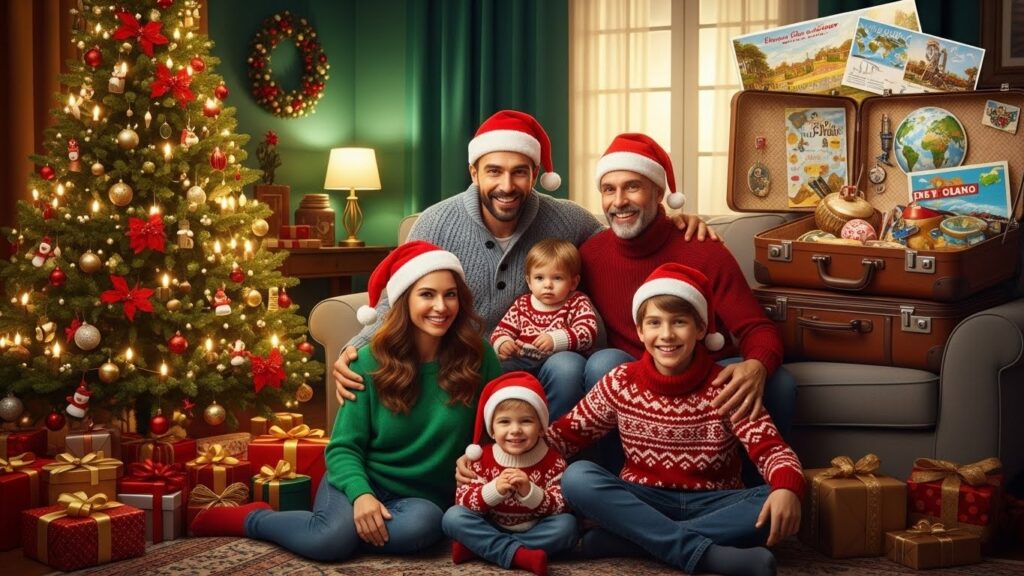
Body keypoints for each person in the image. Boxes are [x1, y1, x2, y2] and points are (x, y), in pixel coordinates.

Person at [334, 111, 714, 418]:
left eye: (519, 172)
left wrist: (676, 222)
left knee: (567, 366)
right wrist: (354, 347)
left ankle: (553, 463)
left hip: (546, 361)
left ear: (535, 174)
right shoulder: (437, 222)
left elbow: (623, 239)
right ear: (474, 173)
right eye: (494, 171)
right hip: (466, 360)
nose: (507, 185)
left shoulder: (568, 219)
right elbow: (395, 298)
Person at [191, 241, 503, 562]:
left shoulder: (479, 357)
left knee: (424, 526)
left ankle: (337, 528)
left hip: (420, 500)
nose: (441, 306)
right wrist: (362, 496)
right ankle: (256, 519)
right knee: (328, 543)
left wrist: (478, 462)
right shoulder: (367, 361)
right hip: (359, 477)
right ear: (404, 299)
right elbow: (343, 448)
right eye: (427, 294)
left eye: (449, 294)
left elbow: (495, 434)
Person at [553, 263, 804, 576]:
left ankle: (634, 540)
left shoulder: (726, 386)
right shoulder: (620, 382)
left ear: (700, 329)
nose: (667, 335)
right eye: (655, 323)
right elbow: (564, 437)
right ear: (640, 330)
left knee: (778, 499)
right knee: (578, 477)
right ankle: (706, 554)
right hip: (644, 500)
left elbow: (771, 449)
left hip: (714, 501)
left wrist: (786, 488)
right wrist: (501, 456)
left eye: (680, 322)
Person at [576, 133, 795, 476]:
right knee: (602, 363)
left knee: (779, 382)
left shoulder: (702, 247)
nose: (619, 201)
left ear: (659, 193)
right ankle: (617, 487)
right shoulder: (589, 255)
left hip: (705, 380)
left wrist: (757, 367)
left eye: (632, 186)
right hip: (637, 380)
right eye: (608, 189)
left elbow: (757, 327)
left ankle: (762, 500)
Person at [442, 371, 577, 576]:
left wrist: (530, 492)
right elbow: (463, 500)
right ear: (492, 430)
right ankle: (519, 554)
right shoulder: (481, 459)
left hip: (535, 529)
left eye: (525, 421)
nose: (515, 430)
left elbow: (561, 505)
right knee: (453, 517)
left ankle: (481, 548)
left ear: (541, 428)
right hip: (491, 525)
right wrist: (493, 490)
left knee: (567, 526)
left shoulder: (553, 462)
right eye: (504, 422)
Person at [491, 238, 598, 373]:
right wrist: (503, 342)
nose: (547, 285)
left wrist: (556, 339)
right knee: (501, 369)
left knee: (566, 367)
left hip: (563, 363)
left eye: (557, 278)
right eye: (539, 278)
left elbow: (588, 332)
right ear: (529, 282)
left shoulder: (576, 302)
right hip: (525, 361)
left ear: (573, 283)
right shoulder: (522, 304)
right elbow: (501, 331)